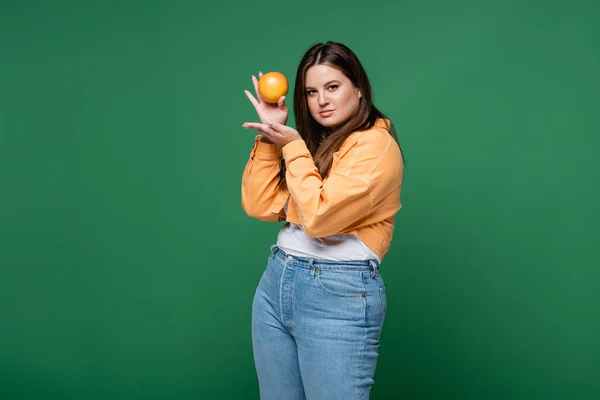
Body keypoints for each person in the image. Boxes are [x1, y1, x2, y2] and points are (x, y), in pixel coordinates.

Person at [241, 41, 405, 400]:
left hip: (337, 293)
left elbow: (318, 217)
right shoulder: (321, 143)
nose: (322, 101)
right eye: (311, 92)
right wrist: (271, 138)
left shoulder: (375, 147)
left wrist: (292, 146)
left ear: (359, 88)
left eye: (333, 87)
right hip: (278, 280)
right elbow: (260, 204)